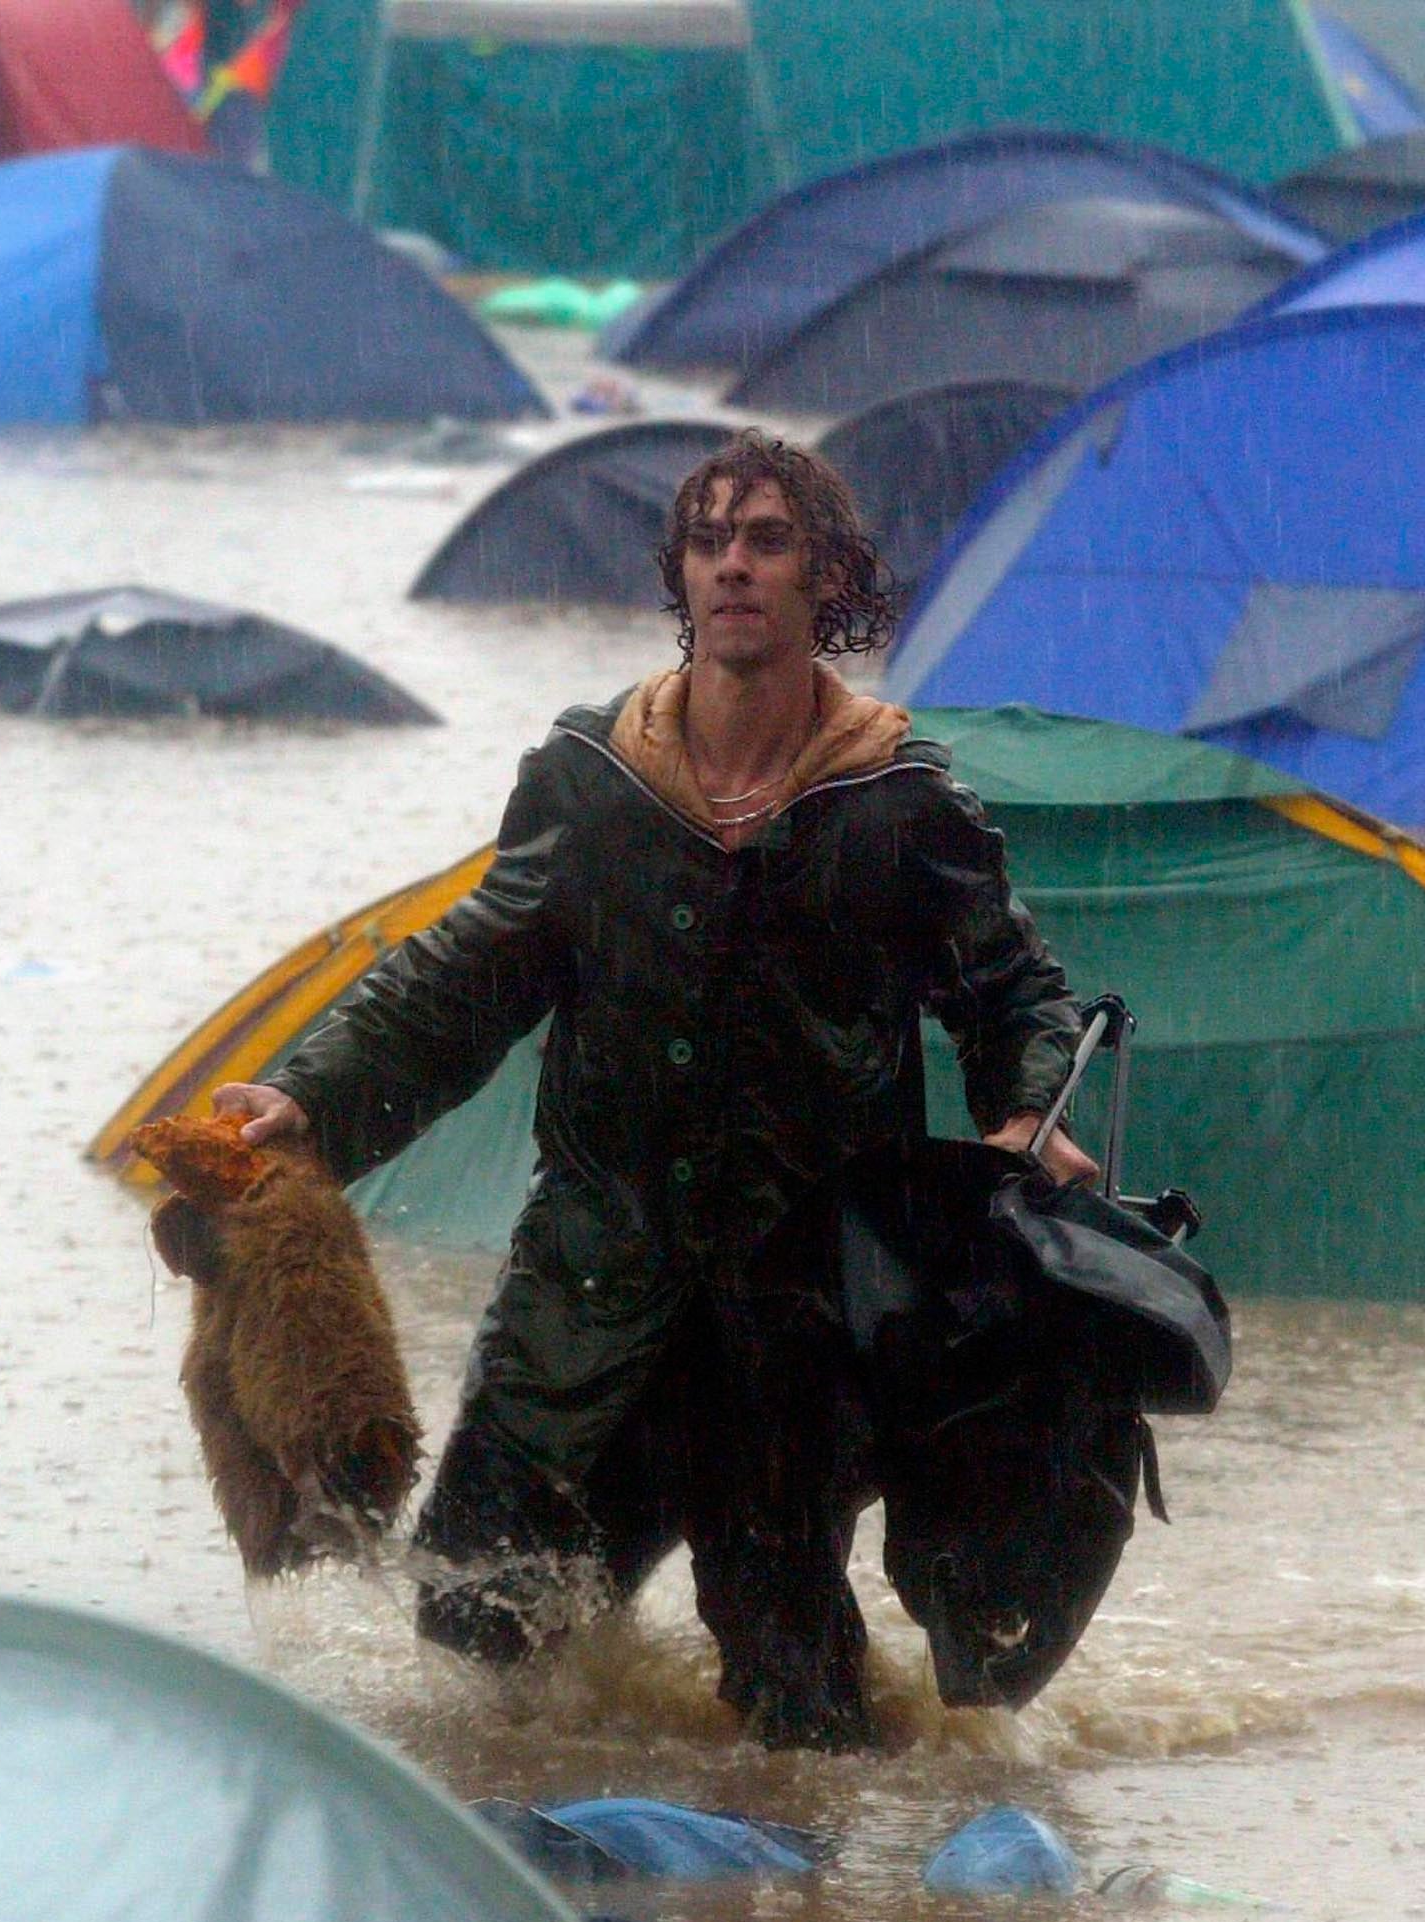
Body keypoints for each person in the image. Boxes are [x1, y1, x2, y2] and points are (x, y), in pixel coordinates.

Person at [215, 433, 1094, 1748]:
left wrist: (1028, 1116)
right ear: (681, 578)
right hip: (581, 1301)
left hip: (797, 1331)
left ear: (827, 580)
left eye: (769, 538)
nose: (736, 562)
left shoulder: (901, 804)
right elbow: (464, 976)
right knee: (468, 1657)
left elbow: (1016, 990)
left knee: (800, 1712)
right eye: (710, 539)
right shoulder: (592, 779)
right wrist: (313, 1099)